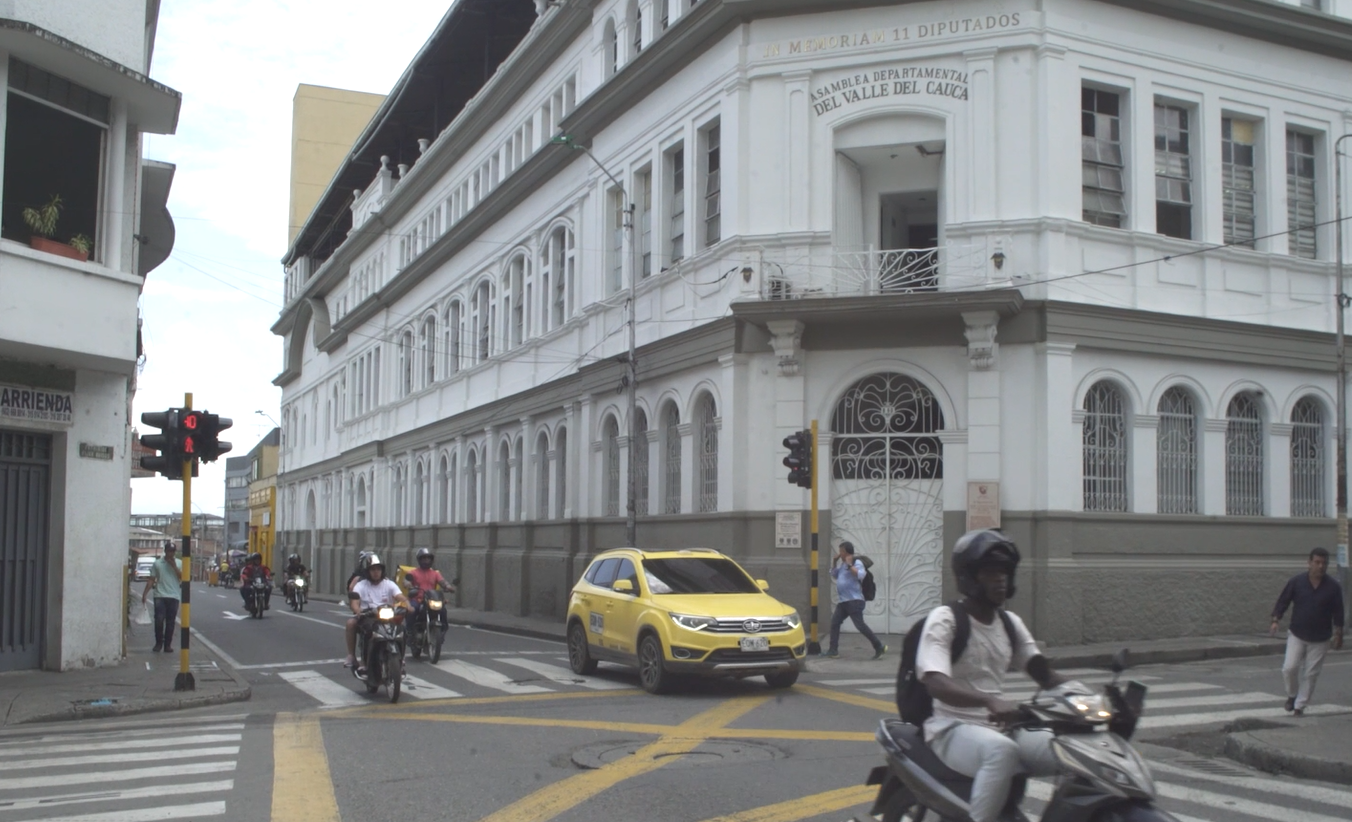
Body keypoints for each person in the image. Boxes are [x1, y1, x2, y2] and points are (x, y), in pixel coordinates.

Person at [916, 529, 1070, 822]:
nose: (1000, 578)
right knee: (1002, 752)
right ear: (970, 577)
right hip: (951, 728)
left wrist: (1094, 699)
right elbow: (935, 681)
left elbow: (1044, 675)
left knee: (1071, 750)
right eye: (990, 572)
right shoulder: (946, 619)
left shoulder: (1010, 623)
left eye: (1004, 572)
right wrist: (989, 701)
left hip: (1000, 727)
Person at [1270, 547, 1345, 716]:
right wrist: (1276, 620)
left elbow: (1338, 611)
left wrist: (1338, 634)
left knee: (1311, 674)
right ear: (1309, 563)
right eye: (1317, 562)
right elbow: (1283, 601)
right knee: (1289, 668)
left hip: (1321, 637)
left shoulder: (1333, 587)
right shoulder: (1297, 582)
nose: (1320, 566)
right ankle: (1292, 695)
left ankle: (1299, 706)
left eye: (1324, 563)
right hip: (1297, 633)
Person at [822, 541, 886, 659]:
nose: (839, 553)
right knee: (835, 623)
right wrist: (834, 562)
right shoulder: (843, 564)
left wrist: (850, 565)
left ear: (846, 552)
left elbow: (861, 575)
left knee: (860, 626)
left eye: (841, 551)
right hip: (844, 602)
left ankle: (879, 647)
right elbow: (835, 575)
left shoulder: (857, 562)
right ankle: (833, 650)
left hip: (854, 601)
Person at [345, 554, 409, 672]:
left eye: (378, 569)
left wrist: (407, 604)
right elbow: (355, 602)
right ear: (368, 571)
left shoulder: (388, 583)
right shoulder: (361, 585)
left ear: (382, 570)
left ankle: (401, 657)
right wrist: (358, 610)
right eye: (373, 569)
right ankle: (355, 658)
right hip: (368, 616)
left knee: (401, 629)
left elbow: (399, 596)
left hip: (388, 616)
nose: (376, 572)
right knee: (358, 627)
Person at [140, 541, 182, 653]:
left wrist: (174, 566)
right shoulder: (157, 563)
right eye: (169, 551)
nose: (171, 554)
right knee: (159, 620)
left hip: (174, 596)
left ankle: (167, 645)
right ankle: (158, 643)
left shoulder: (179, 563)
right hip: (160, 595)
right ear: (165, 551)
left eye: (173, 551)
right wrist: (145, 594)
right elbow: (151, 579)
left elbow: (183, 577)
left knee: (170, 621)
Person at [403, 548, 456, 634]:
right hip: (418, 600)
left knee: (443, 610)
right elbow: (406, 580)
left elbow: (442, 582)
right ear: (419, 560)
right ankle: (409, 631)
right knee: (412, 610)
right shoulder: (413, 572)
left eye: (428, 558)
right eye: (424, 558)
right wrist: (408, 584)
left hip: (431, 600)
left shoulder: (435, 573)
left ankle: (443, 629)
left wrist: (448, 586)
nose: (426, 560)